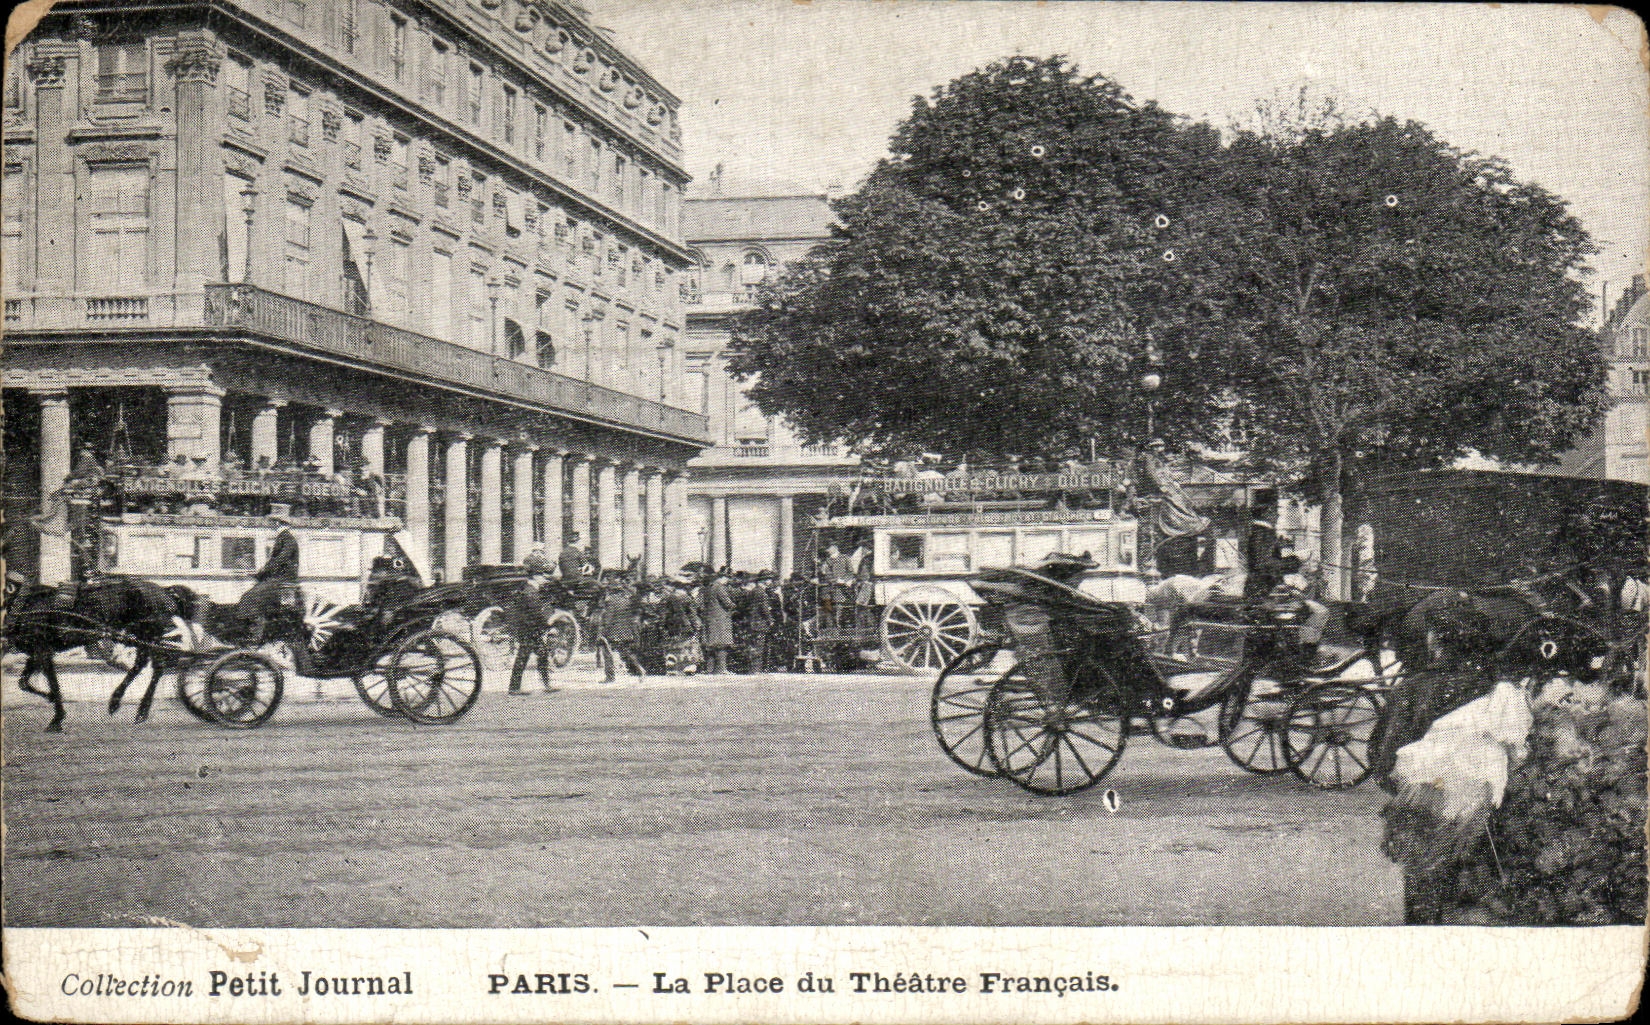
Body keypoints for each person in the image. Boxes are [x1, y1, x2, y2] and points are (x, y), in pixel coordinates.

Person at [507, 565, 556, 694]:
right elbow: (535, 614)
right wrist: (548, 625)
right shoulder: (531, 592)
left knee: (541, 654)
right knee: (524, 657)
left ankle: (546, 685)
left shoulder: (527, 589)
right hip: (529, 630)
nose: (545, 579)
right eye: (543, 576)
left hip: (528, 629)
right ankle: (514, 688)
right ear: (535, 576)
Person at [597, 574, 646, 683]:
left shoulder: (611, 602)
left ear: (611, 591)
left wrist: (603, 632)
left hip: (614, 632)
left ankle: (610, 676)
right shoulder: (626, 600)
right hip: (626, 631)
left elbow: (608, 619)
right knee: (626, 652)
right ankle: (640, 669)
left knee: (607, 652)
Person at [700, 569, 737, 674]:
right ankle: (722, 669)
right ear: (722, 577)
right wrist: (735, 606)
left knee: (711, 644)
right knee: (722, 644)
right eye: (727, 578)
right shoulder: (719, 588)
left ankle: (710, 669)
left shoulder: (708, 588)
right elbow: (728, 603)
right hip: (720, 620)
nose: (728, 581)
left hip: (709, 619)